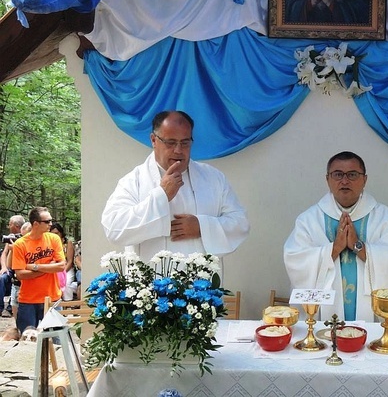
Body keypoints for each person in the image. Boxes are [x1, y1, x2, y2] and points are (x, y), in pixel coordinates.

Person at [102, 110, 249, 268]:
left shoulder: (214, 179)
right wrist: (161, 196)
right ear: (153, 140)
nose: (178, 150)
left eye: (185, 143)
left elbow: (240, 223)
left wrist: (202, 227)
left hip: (201, 288)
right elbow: (114, 229)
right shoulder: (134, 181)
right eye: (170, 142)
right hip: (149, 289)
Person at [284, 151, 388, 321]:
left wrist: (358, 246)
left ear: (364, 180)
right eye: (338, 174)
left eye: (352, 175)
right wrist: (334, 248)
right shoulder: (308, 220)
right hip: (322, 318)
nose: (344, 181)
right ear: (328, 180)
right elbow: (295, 260)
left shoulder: (387, 219)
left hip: (372, 318)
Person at [11, 207, 66, 334]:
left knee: (57, 340)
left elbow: (61, 266)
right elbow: (20, 275)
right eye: (47, 221)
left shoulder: (54, 239)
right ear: (36, 223)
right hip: (28, 300)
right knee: (27, 341)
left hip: (52, 299)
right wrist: (49, 268)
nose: (51, 224)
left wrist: (34, 266)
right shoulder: (20, 244)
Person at [0, 215, 24, 317]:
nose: (8, 226)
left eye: (10, 224)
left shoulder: (26, 236)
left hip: (22, 267)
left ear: (17, 226)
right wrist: (4, 267)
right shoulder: (11, 237)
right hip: (10, 267)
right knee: (1, 278)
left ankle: (12, 306)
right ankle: (1, 308)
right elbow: (4, 254)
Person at [49, 222, 76, 301]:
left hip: (66, 268)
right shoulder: (48, 244)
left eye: (57, 233)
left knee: (66, 283)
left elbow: (70, 261)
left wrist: (63, 271)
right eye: (52, 233)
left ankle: (69, 305)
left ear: (61, 233)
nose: (55, 235)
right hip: (53, 269)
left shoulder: (68, 243)